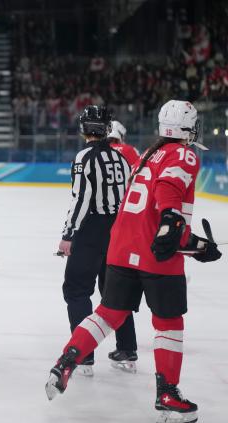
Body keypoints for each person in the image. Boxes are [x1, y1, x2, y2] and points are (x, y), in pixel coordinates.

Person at [46, 100, 222, 423]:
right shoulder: (182, 153)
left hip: (120, 248)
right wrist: (175, 225)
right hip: (156, 257)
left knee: (107, 313)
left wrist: (196, 245)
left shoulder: (146, 155)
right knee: (168, 322)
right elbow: (168, 203)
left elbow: (152, 218)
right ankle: (168, 394)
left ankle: (67, 361)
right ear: (187, 128)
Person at [57, 105, 137, 376]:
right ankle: (127, 349)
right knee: (114, 292)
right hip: (119, 229)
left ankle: (83, 355)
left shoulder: (84, 157)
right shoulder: (122, 159)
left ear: (83, 128)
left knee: (77, 290)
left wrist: (68, 234)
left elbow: (81, 199)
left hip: (92, 229)